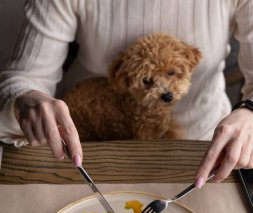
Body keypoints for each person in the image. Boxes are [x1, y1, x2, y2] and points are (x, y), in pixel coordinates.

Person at [0, 0, 253, 187]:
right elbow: (24, 78)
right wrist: (27, 99)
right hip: (86, 148)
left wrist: (249, 111)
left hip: (202, 147)